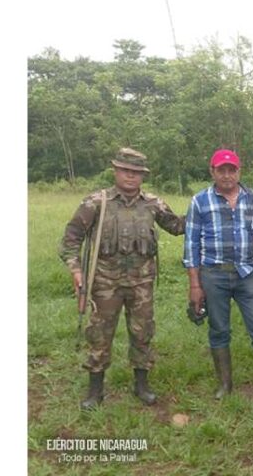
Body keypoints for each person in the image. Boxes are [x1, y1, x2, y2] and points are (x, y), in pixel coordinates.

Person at [59, 148, 185, 410]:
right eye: (126, 171)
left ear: (143, 176)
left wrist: (205, 209)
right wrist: (76, 270)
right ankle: (95, 391)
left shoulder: (153, 203)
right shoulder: (96, 202)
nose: (130, 176)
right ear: (115, 171)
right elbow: (71, 238)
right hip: (105, 283)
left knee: (142, 332)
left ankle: (141, 386)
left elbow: (177, 226)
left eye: (136, 172)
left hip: (141, 283)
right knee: (99, 335)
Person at [183, 148, 253, 398]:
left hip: (247, 273)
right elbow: (191, 244)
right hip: (213, 274)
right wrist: (195, 285)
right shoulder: (200, 201)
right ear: (212, 172)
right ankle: (225, 385)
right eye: (221, 170)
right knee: (219, 330)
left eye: (231, 170)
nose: (227, 175)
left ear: (239, 171)